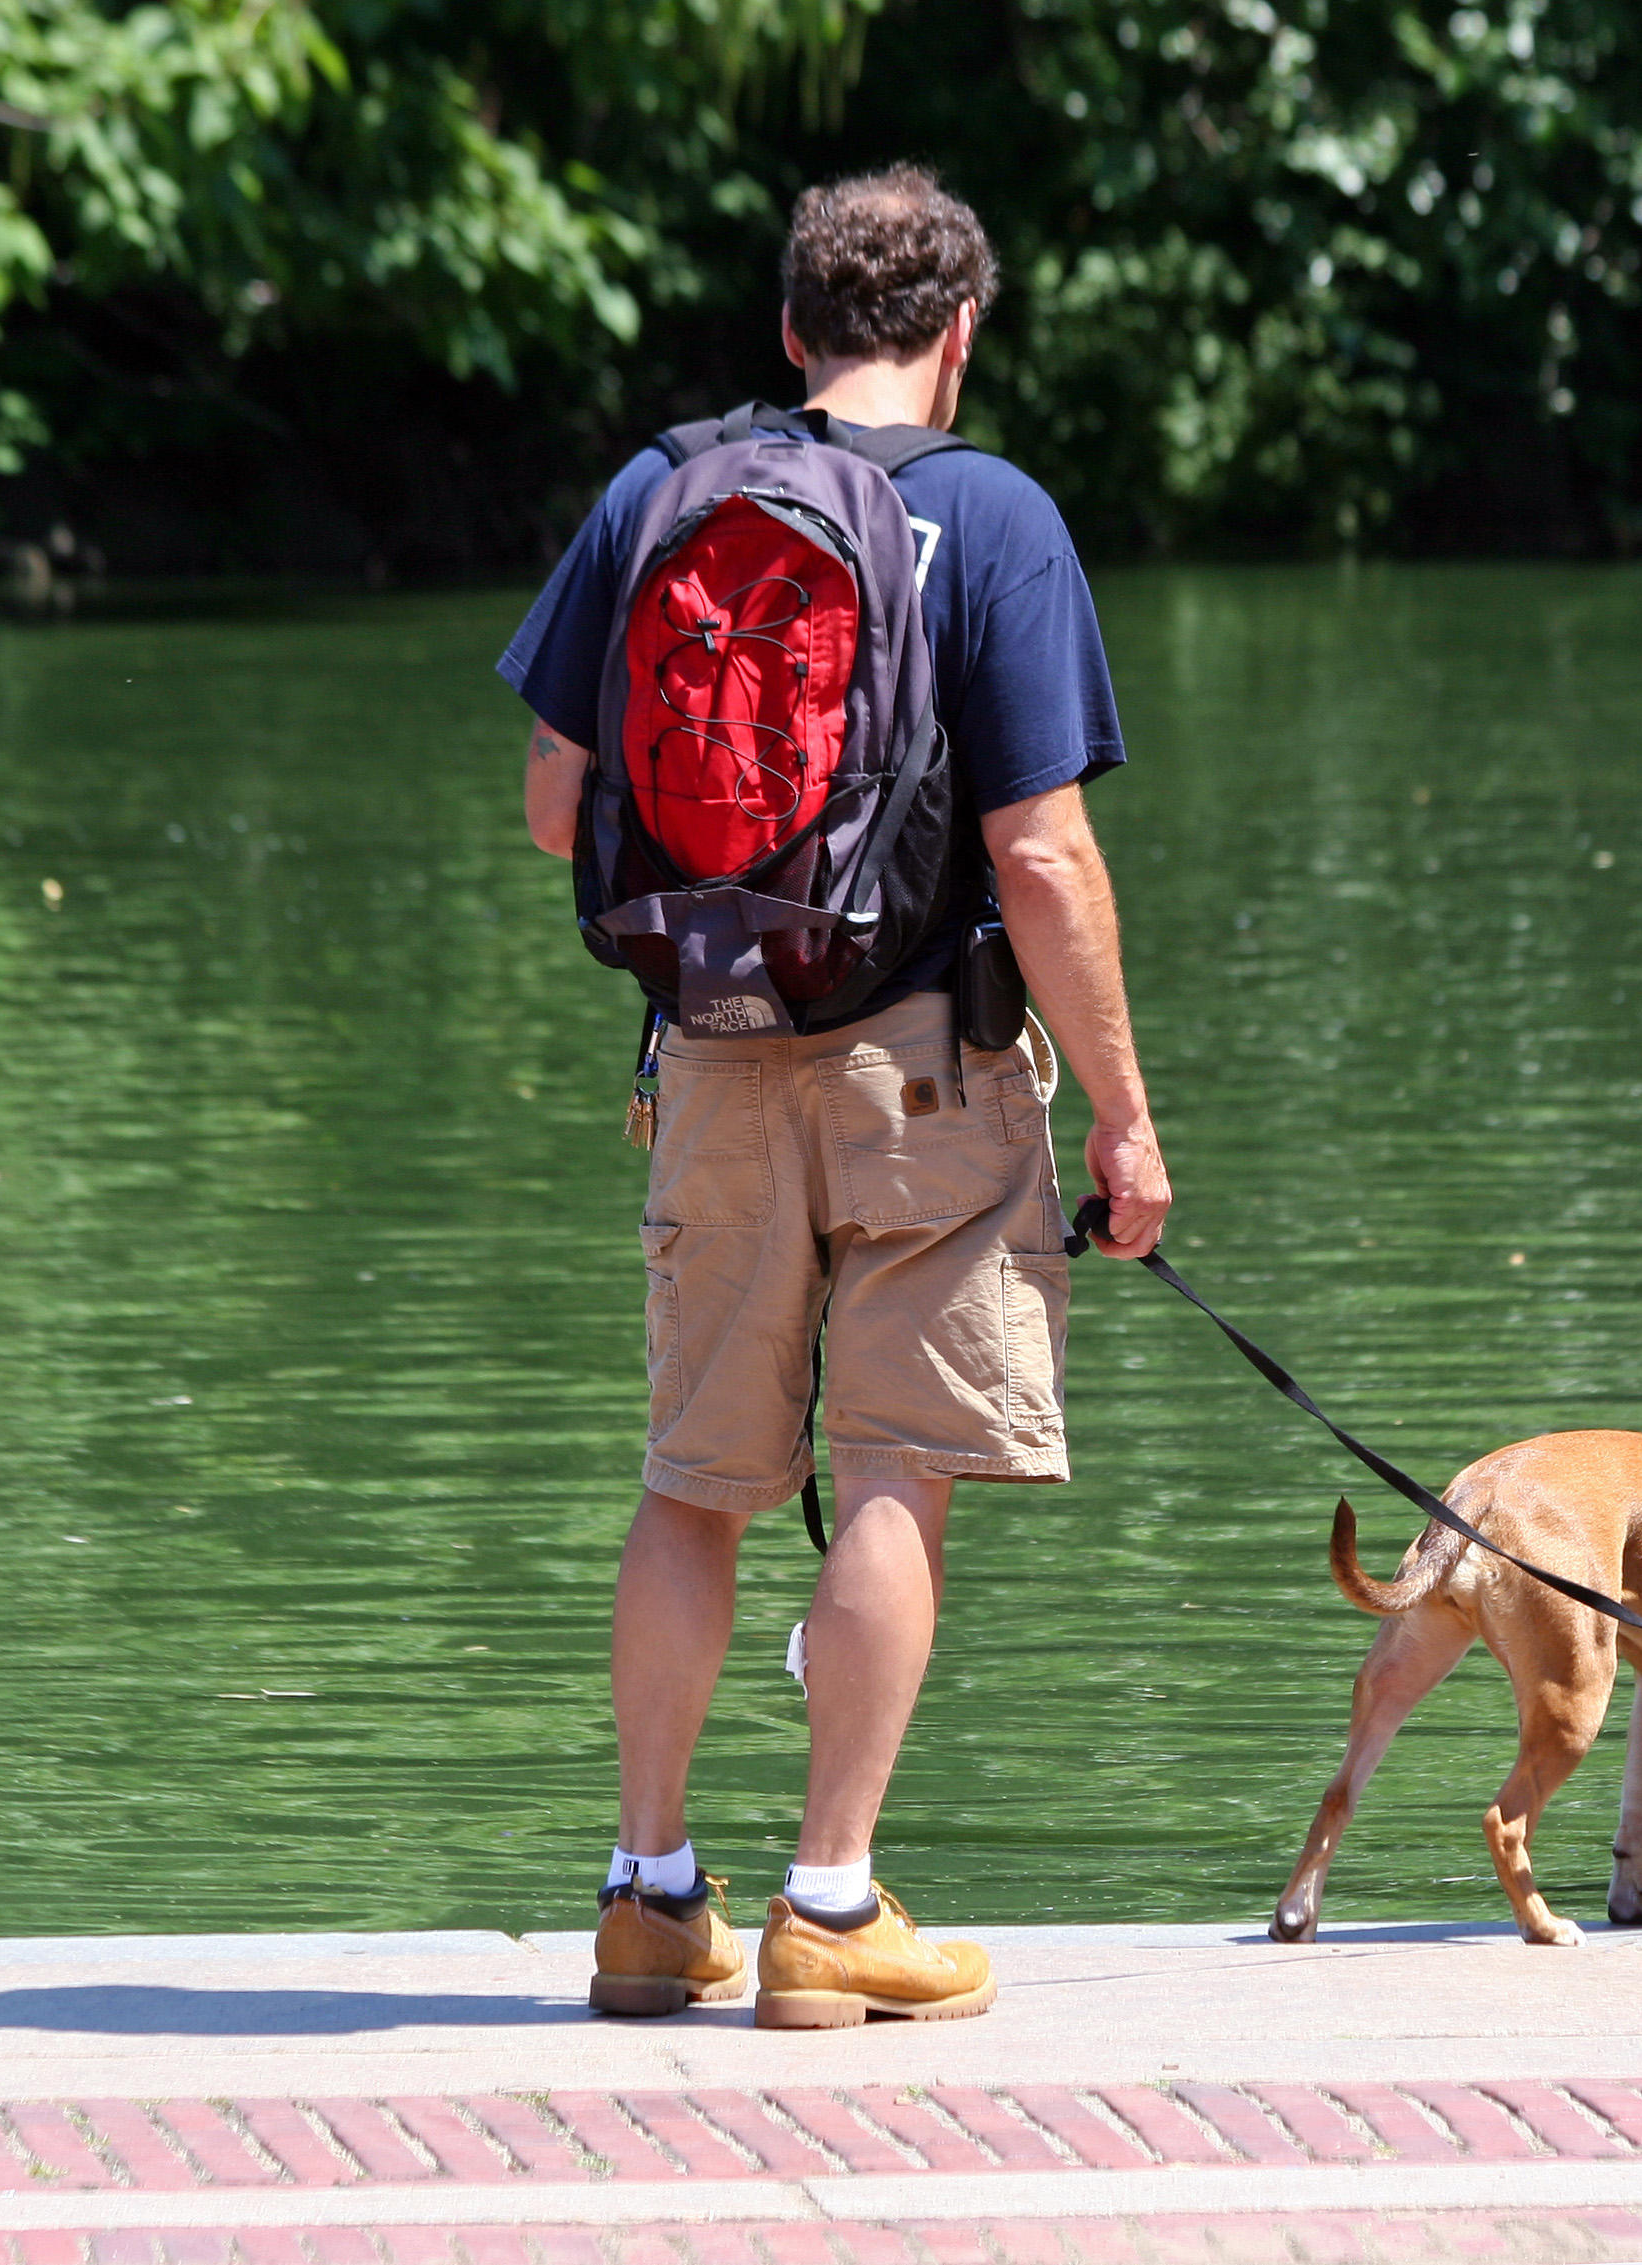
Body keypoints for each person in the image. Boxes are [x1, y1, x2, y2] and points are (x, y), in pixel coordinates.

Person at [496, 164, 1171, 2030]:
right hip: (926, 1070)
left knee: (693, 1480)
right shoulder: (999, 518)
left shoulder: (659, 492)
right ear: (961, 335)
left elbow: (558, 805)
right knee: (893, 1469)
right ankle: (828, 1907)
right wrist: (1121, 1119)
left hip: (709, 1057)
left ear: (791, 334)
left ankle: (645, 1899)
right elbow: (1042, 857)